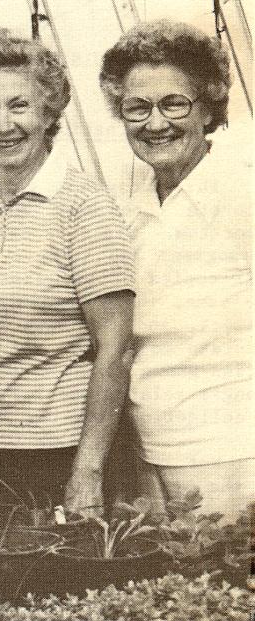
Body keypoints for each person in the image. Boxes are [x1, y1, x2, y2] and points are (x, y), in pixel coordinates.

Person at [0, 29, 135, 520]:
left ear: (49, 112)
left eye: (19, 105)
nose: (3, 124)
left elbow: (116, 347)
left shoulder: (85, 206)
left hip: (57, 455)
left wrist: (87, 471)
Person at [100, 20, 254, 520]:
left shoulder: (243, 195)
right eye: (137, 108)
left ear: (209, 107)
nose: (155, 123)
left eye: (174, 103)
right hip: (152, 447)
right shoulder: (128, 203)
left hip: (236, 449)